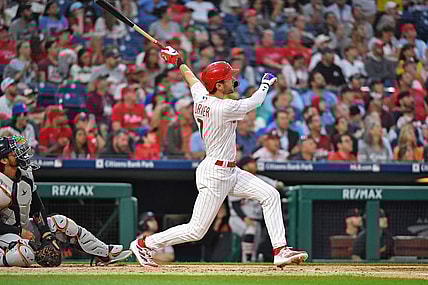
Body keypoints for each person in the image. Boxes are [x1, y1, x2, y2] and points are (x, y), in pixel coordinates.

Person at [130, 46, 308, 268]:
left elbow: (191, 78)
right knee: (196, 230)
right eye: (227, 78)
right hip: (215, 174)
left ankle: (280, 250)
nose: (232, 80)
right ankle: (145, 244)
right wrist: (265, 83)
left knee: (270, 195)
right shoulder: (222, 107)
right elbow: (255, 102)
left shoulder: (202, 95)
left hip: (230, 171)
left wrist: (177, 61)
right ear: (218, 85)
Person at [0, 135, 132, 267]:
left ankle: (104, 253)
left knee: (61, 223)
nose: (21, 154)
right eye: (15, 152)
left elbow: (36, 207)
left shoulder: (25, 173)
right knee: (24, 254)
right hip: (4, 234)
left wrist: (46, 234)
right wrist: (20, 232)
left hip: (22, 228)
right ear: (4, 159)